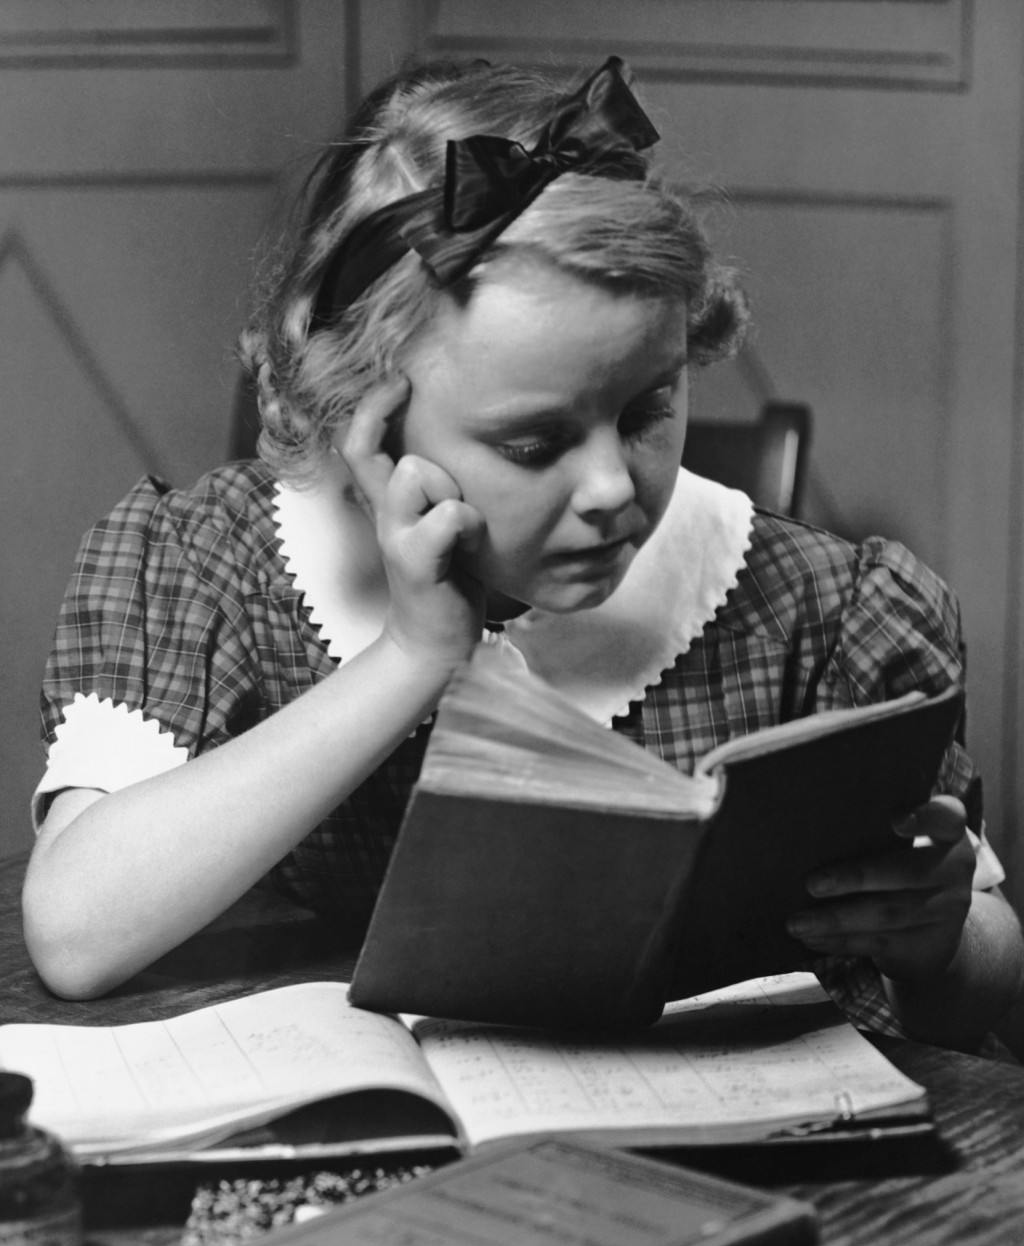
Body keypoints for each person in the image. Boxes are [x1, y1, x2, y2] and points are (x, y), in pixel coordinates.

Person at [23, 56, 1024, 1056]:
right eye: (534, 443)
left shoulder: (821, 612)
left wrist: (938, 937)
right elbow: (76, 937)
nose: (608, 488)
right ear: (361, 417)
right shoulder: (212, 568)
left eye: (647, 410)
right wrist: (412, 655)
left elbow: (979, 990)